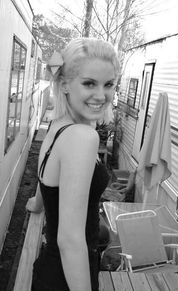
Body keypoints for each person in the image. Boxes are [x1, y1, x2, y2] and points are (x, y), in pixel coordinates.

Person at [26, 37, 120, 291]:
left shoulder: (58, 127)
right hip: (69, 277)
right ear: (65, 84)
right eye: (89, 83)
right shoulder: (82, 137)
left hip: (51, 270)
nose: (101, 95)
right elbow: (69, 240)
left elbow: (50, 178)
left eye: (109, 84)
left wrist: (36, 203)